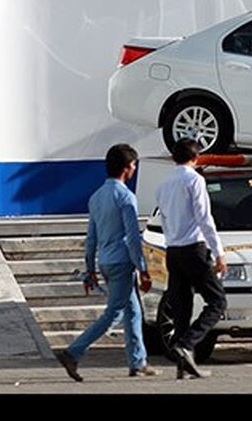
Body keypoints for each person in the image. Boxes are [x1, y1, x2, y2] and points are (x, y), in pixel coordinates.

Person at [56, 143, 156, 382]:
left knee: (133, 311)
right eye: (133, 165)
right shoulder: (126, 197)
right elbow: (132, 237)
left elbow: (91, 237)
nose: (134, 169)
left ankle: (137, 361)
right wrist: (143, 268)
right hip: (122, 262)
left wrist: (90, 268)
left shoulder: (97, 197)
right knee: (114, 313)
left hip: (105, 261)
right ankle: (74, 351)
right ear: (126, 168)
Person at [155, 138, 227, 380]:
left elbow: (164, 219)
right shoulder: (194, 180)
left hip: (173, 250)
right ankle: (186, 344)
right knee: (217, 302)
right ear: (196, 158)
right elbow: (204, 218)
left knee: (182, 307)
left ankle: (184, 365)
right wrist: (219, 252)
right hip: (193, 248)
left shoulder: (163, 185)